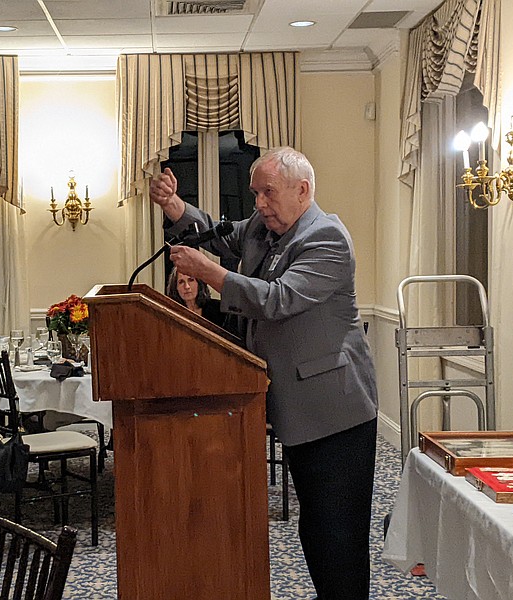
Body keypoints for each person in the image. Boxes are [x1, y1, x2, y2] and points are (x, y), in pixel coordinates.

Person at [149, 147, 378, 600]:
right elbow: (220, 233)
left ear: (302, 190)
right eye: (255, 193)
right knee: (315, 528)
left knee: (339, 536)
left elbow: (278, 300)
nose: (259, 204)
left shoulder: (326, 238)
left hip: (335, 412)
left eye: (268, 193)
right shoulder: (265, 226)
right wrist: (176, 207)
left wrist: (211, 274)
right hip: (297, 407)